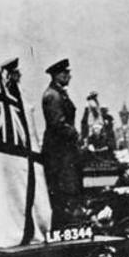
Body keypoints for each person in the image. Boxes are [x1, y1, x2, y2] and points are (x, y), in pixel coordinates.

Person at [41, 58, 81, 226]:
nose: (69, 76)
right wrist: (74, 133)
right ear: (57, 75)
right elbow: (57, 124)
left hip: (63, 149)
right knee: (60, 188)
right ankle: (61, 225)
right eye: (65, 73)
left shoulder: (59, 93)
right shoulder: (53, 95)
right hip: (58, 151)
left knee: (65, 188)